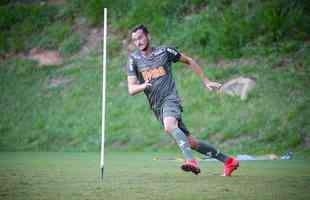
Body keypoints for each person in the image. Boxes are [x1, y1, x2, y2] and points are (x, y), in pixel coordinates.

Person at [126, 24, 239, 176]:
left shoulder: (165, 52)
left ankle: (191, 161)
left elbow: (189, 61)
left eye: (140, 37)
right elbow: (131, 89)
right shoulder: (134, 59)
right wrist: (143, 85)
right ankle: (229, 161)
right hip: (157, 107)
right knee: (191, 142)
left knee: (169, 126)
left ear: (148, 36)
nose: (138, 42)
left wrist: (206, 81)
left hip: (170, 99)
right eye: (135, 40)